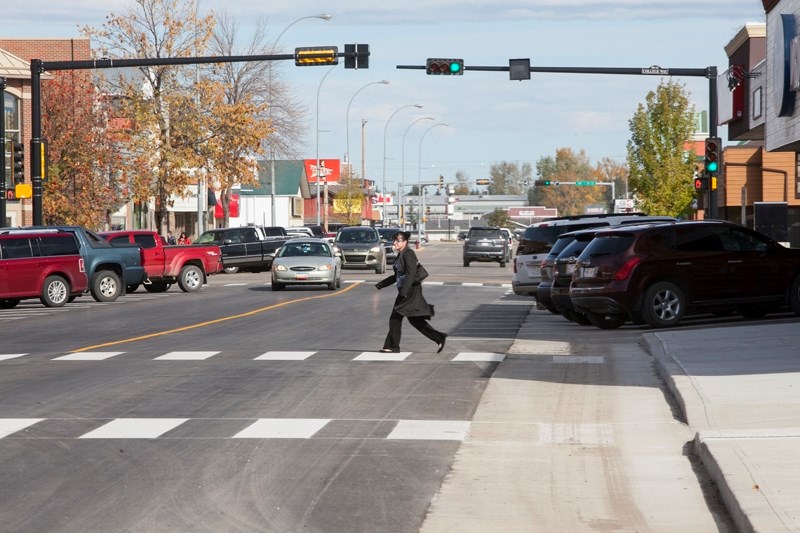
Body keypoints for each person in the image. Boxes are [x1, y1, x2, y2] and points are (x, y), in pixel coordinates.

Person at [375, 230, 447, 353]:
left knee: (395, 317)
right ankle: (439, 337)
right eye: (395, 240)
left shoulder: (409, 254)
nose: (395, 242)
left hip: (410, 290)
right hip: (407, 289)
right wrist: (381, 284)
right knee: (414, 320)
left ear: (405, 242)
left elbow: (411, 274)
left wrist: (404, 291)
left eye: (398, 240)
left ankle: (392, 346)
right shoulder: (401, 254)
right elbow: (397, 275)